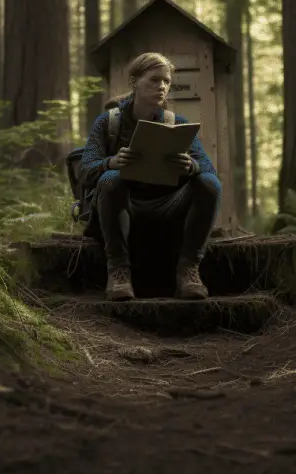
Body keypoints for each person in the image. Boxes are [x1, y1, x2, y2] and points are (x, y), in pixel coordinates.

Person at [78, 52, 222, 301]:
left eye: (166, 81)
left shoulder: (175, 123)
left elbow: (208, 170)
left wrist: (190, 166)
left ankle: (188, 269)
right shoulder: (108, 123)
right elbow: (85, 171)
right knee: (111, 179)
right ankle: (119, 271)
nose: (162, 87)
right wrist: (110, 162)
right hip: (122, 208)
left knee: (209, 183)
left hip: (167, 207)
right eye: (154, 80)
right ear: (134, 82)